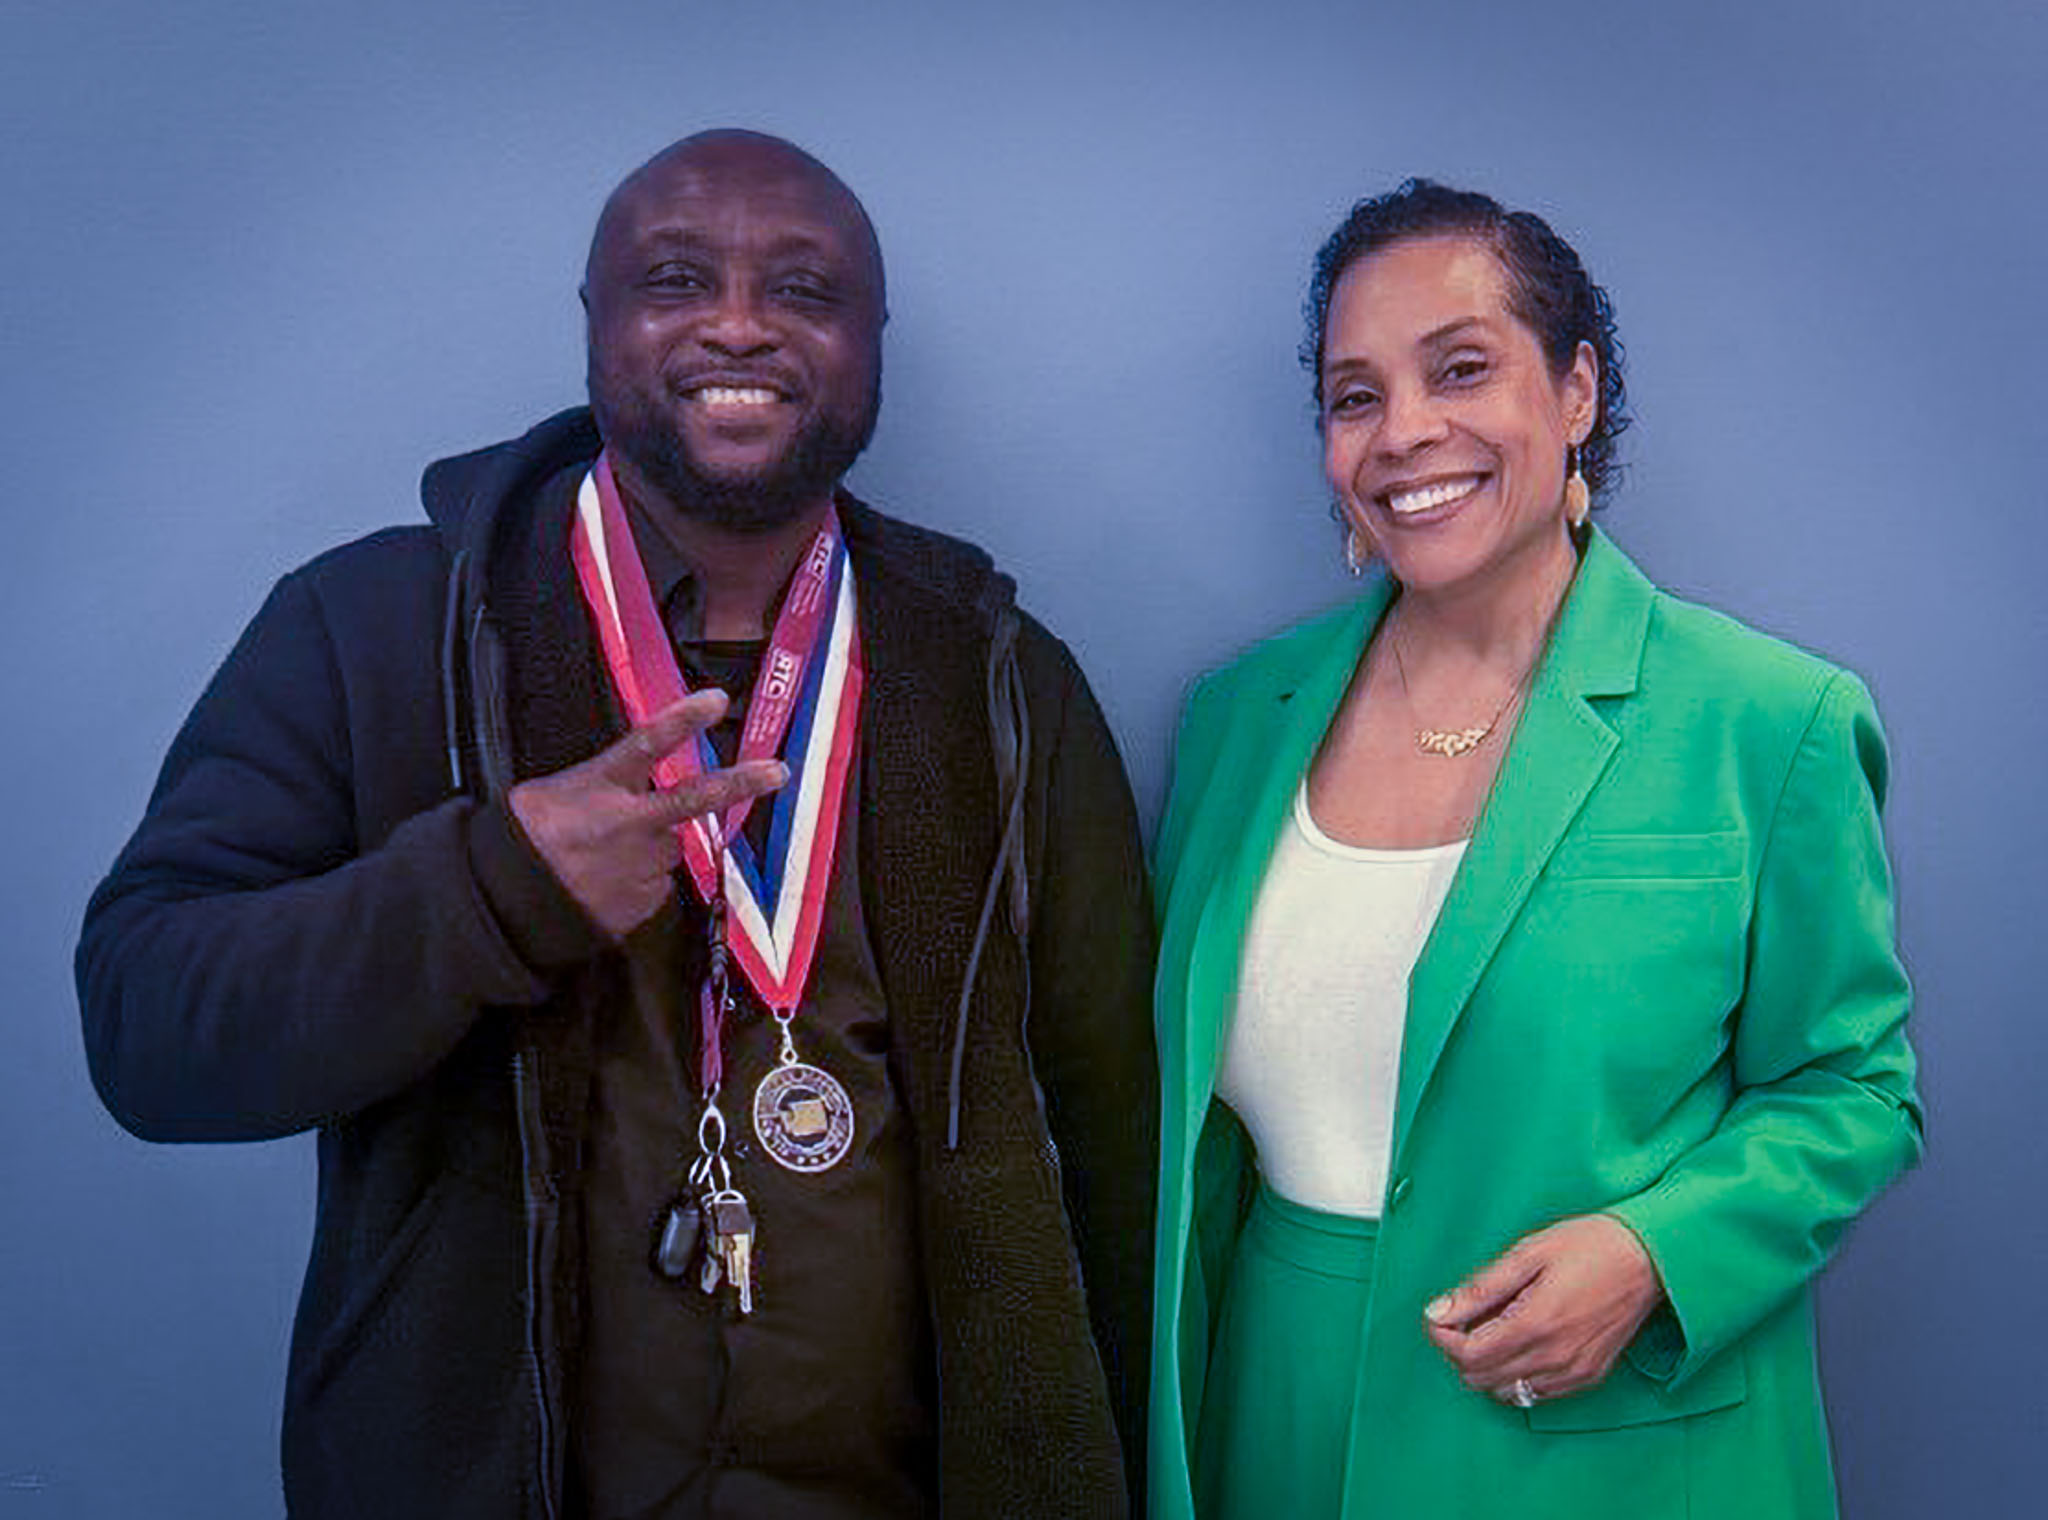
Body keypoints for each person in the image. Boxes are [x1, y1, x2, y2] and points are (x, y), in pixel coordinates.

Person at [77, 129, 1156, 1520]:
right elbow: (146, 1031)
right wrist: (489, 890)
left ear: (871, 343)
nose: (740, 324)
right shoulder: (372, 631)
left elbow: (1114, 1127)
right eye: (675, 277)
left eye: (807, 291)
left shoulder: (996, 675)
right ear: (595, 325)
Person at [1147, 180, 1921, 1519]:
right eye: (1355, 396)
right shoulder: (1237, 719)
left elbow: (1855, 1089)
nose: (1406, 433)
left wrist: (1653, 1253)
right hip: (1275, 1420)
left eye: (1461, 370)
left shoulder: (1768, 720)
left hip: (1611, 1444)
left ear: (1575, 394)